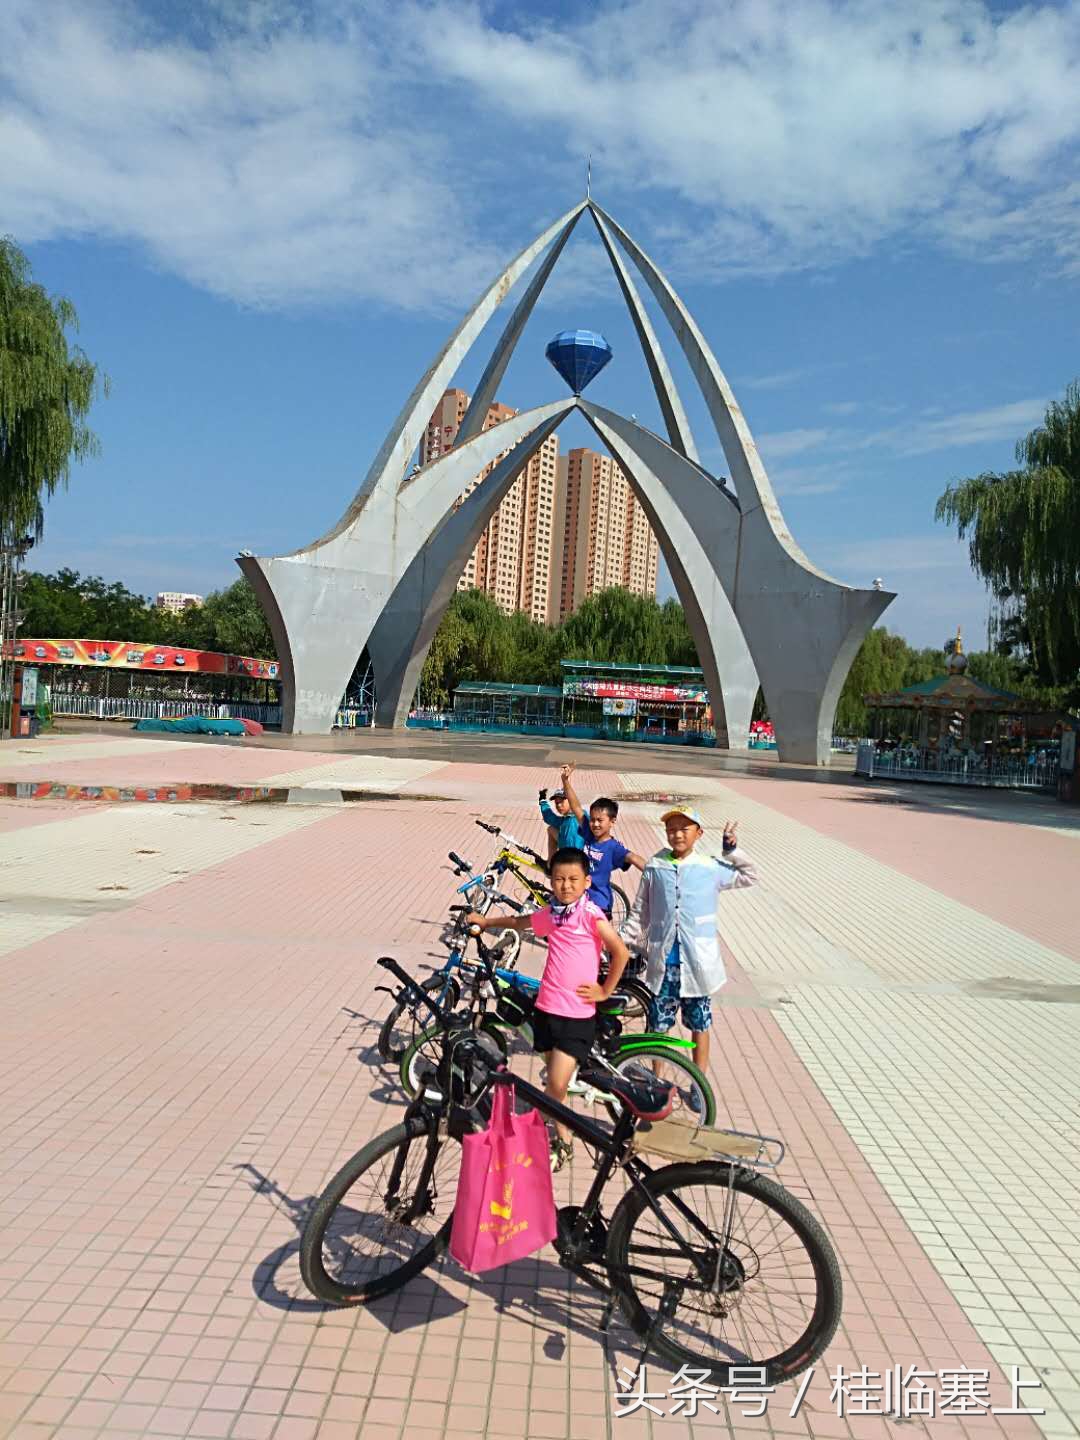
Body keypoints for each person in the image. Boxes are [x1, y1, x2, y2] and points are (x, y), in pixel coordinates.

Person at [468, 847, 629, 1172]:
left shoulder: (590, 915)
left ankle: (522, 1132)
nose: (565, 885)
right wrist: (486, 922)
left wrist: (604, 990)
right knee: (558, 1088)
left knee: (553, 1087)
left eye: (573, 879)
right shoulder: (554, 913)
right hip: (546, 1010)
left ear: (586, 882)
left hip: (576, 1017)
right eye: (559, 879)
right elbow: (520, 922)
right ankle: (564, 1143)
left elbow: (620, 952)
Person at [621, 808, 758, 1088]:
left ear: (699, 833)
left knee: (700, 1025)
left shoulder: (710, 867)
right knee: (658, 1026)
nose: (677, 834)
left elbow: (750, 875)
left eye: (685, 829)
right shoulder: (655, 866)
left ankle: (698, 1084)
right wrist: (621, 941)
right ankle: (657, 1081)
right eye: (672, 829)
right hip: (664, 967)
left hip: (697, 967)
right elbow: (640, 911)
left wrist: (731, 851)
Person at [558, 763, 645, 918]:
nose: (595, 824)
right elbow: (576, 807)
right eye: (592, 819)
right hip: (580, 898)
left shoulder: (613, 847)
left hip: (599, 904)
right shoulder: (589, 833)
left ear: (612, 821)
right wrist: (565, 781)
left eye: (600, 820)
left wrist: (660, 874)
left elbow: (633, 858)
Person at [538, 784, 582, 865]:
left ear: (571, 801)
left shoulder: (577, 819)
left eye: (561, 802)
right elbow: (549, 817)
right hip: (570, 853)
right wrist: (542, 800)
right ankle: (550, 864)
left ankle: (551, 866)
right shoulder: (565, 820)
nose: (558, 805)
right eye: (557, 803)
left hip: (576, 861)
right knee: (551, 829)